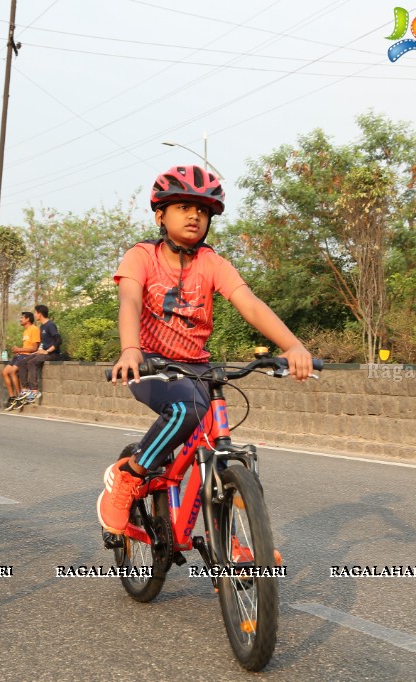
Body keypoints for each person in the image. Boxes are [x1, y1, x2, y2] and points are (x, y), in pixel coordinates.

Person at [98, 165, 313, 539]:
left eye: (203, 210)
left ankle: (235, 546)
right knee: (187, 410)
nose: (194, 215)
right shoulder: (141, 256)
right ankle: (131, 474)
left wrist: (292, 345)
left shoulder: (211, 262)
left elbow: (250, 304)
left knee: (215, 444)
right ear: (160, 215)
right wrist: (130, 349)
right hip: (151, 365)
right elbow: (130, 302)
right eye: (182, 206)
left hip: (196, 368)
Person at [18, 304, 59, 403]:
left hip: (53, 354)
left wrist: (48, 351)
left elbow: (58, 340)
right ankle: (25, 389)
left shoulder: (50, 325)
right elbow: (43, 343)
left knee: (32, 362)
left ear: (40, 314)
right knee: (23, 362)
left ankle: (35, 390)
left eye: (35, 313)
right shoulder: (42, 326)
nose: (34, 315)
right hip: (43, 353)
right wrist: (38, 351)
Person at [1, 311, 40, 409]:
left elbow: (35, 348)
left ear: (28, 319)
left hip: (26, 356)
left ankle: (20, 396)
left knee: (13, 372)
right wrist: (18, 350)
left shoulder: (34, 329)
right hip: (20, 355)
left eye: (22, 317)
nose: (20, 319)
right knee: (4, 372)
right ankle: (12, 397)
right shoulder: (25, 331)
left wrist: (19, 349)